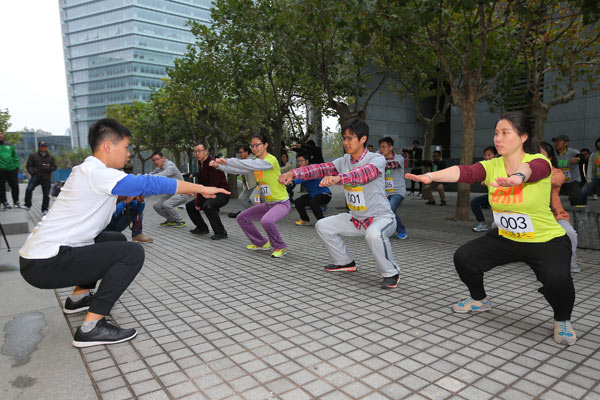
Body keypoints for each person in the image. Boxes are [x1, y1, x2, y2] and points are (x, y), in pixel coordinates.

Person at [18, 118, 229, 348]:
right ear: (108, 146)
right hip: (46, 262)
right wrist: (200, 189)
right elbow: (149, 183)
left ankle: (78, 299)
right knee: (132, 253)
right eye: (126, 147)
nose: (129, 154)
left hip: (38, 258)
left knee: (114, 239)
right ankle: (91, 327)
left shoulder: (88, 170)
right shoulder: (98, 173)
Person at [406, 111, 577, 345]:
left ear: (523, 137)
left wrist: (518, 177)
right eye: (496, 133)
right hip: (506, 237)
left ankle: (562, 319)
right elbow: (465, 172)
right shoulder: (492, 165)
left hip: (544, 239)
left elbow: (533, 170)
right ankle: (480, 300)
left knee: (558, 280)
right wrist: (430, 176)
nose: (498, 138)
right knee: (464, 258)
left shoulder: (540, 161)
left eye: (505, 133)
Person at [280, 118, 401, 289]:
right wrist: (293, 173)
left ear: (363, 139)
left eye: (350, 138)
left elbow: (364, 174)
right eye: (344, 138)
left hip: (381, 219)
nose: (346, 142)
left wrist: (339, 178)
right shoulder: (343, 161)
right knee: (323, 225)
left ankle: (391, 272)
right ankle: (344, 262)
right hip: (356, 219)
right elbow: (320, 168)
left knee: (374, 234)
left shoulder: (377, 160)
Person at [211, 133, 290, 258]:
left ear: (266, 145)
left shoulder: (271, 160)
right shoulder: (257, 162)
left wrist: (227, 161)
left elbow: (248, 164)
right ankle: (261, 243)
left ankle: (280, 247)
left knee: (267, 221)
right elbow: (239, 170)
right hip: (268, 204)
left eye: (257, 145)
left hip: (281, 203)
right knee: (242, 218)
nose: (254, 148)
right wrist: (219, 166)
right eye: (252, 146)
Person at [539, 141, 580, 273]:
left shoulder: (557, 172)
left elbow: (555, 181)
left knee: (570, 233)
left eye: (540, 154)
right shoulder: (524, 172)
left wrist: (529, 176)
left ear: (550, 158)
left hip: (555, 215)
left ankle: (571, 260)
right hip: (532, 215)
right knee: (496, 225)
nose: (536, 157)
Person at [186, 141, 231, 240]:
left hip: (222, 193)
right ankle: (202, 228)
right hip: (207, 192)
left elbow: (213, 186)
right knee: (190, 206)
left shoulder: (212, 164)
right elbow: (202, 185)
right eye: (195, 152)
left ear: (206, 151)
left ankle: (221, 232)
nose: (197, 154)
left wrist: (199, 201)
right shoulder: (201, 163)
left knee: (208, 206)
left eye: (200, 151)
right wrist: (198, 201)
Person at [149, 152, 190, 227]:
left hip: (182, 192)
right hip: (172, 192)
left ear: (163, 158)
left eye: (157, 159)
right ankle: (171, 219)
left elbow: (161, 175)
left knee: (167, 204)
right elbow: (151, 174)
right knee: (156, 206)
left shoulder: (170, 166)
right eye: (154, 160)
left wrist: (149, 178)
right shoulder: (159, 168)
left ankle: (180, 221)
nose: (155, 162)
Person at [378, 136, 408, 239]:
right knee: (389, 211)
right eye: (380, 147)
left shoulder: (399, 158)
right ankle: (391, 230)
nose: (381, 149)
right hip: (384, 192)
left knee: (389, 209)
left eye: (384, 147)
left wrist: (377, 161)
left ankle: (401, 230)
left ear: (391, 147)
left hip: (398, 191)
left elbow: (391, 165)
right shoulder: (378, 157)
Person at [292, 154, 332, 225]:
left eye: (301, 161)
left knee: (313, 202)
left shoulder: (311, 170)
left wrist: (290, 181)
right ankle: (305, 220)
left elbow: (299, 179)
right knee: (298, 202)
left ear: (306, 161)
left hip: (324, 194)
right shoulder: (300, 171)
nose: (299, 163)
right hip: (313, 195)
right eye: (298, 161)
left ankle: (323, 223)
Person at [23, 141, 57, 214]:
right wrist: (33, 172)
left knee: (46, 194)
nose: (43, 147)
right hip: (36, 176)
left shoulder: (51, 157)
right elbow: (28, 166)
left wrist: (48, 167)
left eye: (45, 146)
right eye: (42, 146)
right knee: (29, 189)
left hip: (46, 177)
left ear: (47, 147)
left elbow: (54, 167)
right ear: (39, 147)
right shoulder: (33, 155)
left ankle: (44, 209)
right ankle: (27, 204)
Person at [227, 145, 260, 218]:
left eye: (241, 152)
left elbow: (243, 167)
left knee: (253, 199)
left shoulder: (252, 160)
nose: (240, 154)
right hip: (250, 186)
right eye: (239, 152)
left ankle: (261, 214)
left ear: (247, 152)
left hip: (258, 185)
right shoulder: (245, 161)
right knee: (242, 198)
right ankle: (251, 213)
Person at [471, 146, 498, 232]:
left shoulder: (500, 165)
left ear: (496, 155)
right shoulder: (485, 166)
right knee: (475, 202)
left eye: (489, 155)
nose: (487, 157)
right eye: (485, 155)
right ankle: (482, 224)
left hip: (502, 196)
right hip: (491, 195)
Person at [553, 135, 582, 206]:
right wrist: (569, 161)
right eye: (555, 142)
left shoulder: (574, 152)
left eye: (558, 142)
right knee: (551, 196)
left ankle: (577, 213)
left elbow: (580, 159)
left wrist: (578, 160)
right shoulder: (552, 153)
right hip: (559, 180)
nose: (556, 144)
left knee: (575, 197)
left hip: (573, 179)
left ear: (566, 143)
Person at [0, 129, 22, 209]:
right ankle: (4, 202)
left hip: (11, 169)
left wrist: (16, 167)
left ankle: (16, 202)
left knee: (15, 186)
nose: (0, 135)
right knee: (1, 187)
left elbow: (14, 156)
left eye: (1, 134)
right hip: (1, 169)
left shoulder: (9, 145)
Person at [581, 137, 600, 205]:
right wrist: (589, 179)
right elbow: (590, 167)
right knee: (583, 191)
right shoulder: (594, 154)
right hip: (596, 177)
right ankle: (583, 208)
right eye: (598, 142)